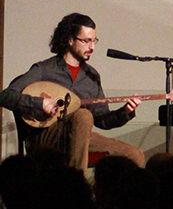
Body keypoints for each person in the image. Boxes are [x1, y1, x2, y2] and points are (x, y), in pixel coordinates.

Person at [0, 13, 144, 170]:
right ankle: (76, 186)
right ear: (70, 40)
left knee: (134, 155)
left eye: (94, 41)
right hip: (45, 136)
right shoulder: (44, 69)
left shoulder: (91, 76)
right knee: (83, 115)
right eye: (86, 41)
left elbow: (102, 120)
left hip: (78, 136)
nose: (92, 47)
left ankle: (101, 192)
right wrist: (40, 103)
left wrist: (125, 111)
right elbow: (6, 96)